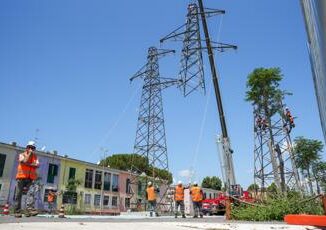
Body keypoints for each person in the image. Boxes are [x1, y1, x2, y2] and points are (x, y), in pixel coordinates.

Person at [14, 141, 40, 218]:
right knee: (18, 194)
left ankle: (29, 210)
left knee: (31, 193)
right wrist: (29, 155)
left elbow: (37, 165)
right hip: (21, 177)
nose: (31, 149)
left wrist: (28, 164)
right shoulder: (21, 155)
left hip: (31, 178)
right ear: (27, 148)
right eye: (29, 147)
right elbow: (24, 161)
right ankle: (17, 211)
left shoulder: (35, 157)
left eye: (33, 148)